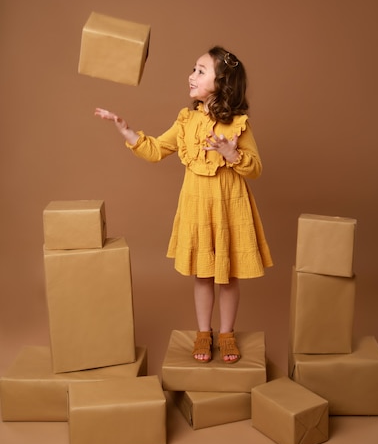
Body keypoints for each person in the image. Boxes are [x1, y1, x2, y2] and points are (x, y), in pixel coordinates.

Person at [95, 45, 273, 364]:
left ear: (223, 84)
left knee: (229, 275)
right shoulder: (185, 120)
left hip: (229, 209)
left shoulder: (238, 125)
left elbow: (256, 168)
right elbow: (155, 149)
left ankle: (227, 333)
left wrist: (232, 154)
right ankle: (204, 331)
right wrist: (126, 130)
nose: (191, 75)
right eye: (193, 69)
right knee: (202, 274)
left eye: (201, 71)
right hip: (197, 210)